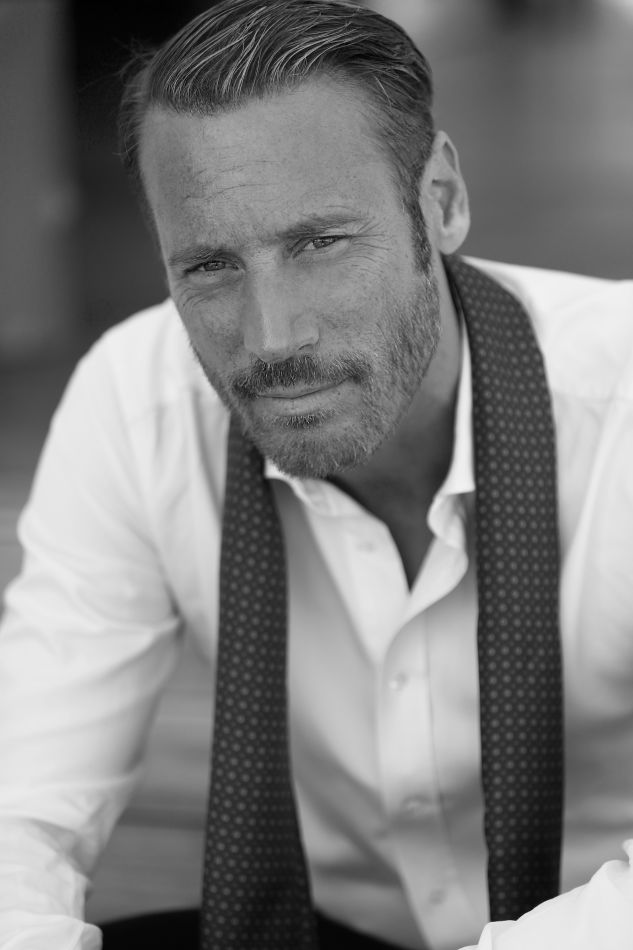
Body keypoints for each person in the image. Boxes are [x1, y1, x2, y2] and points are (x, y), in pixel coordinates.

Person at [1, 1, 633, 948]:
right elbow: (23, 799)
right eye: (209, 266)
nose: (271, 339)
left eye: (320, 243)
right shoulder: (137, 401)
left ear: (440, 201)